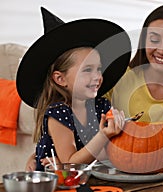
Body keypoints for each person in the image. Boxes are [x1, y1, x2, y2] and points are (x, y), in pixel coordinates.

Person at [20, 7, 131, 171]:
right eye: (87, 70)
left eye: (98, 69)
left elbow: (105, 154)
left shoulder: (102, 106)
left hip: (90, 179)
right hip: (59, 186)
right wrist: (104, 135)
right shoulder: (59, 112)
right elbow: (70, 163)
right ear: (60, 79)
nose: (97, 76)